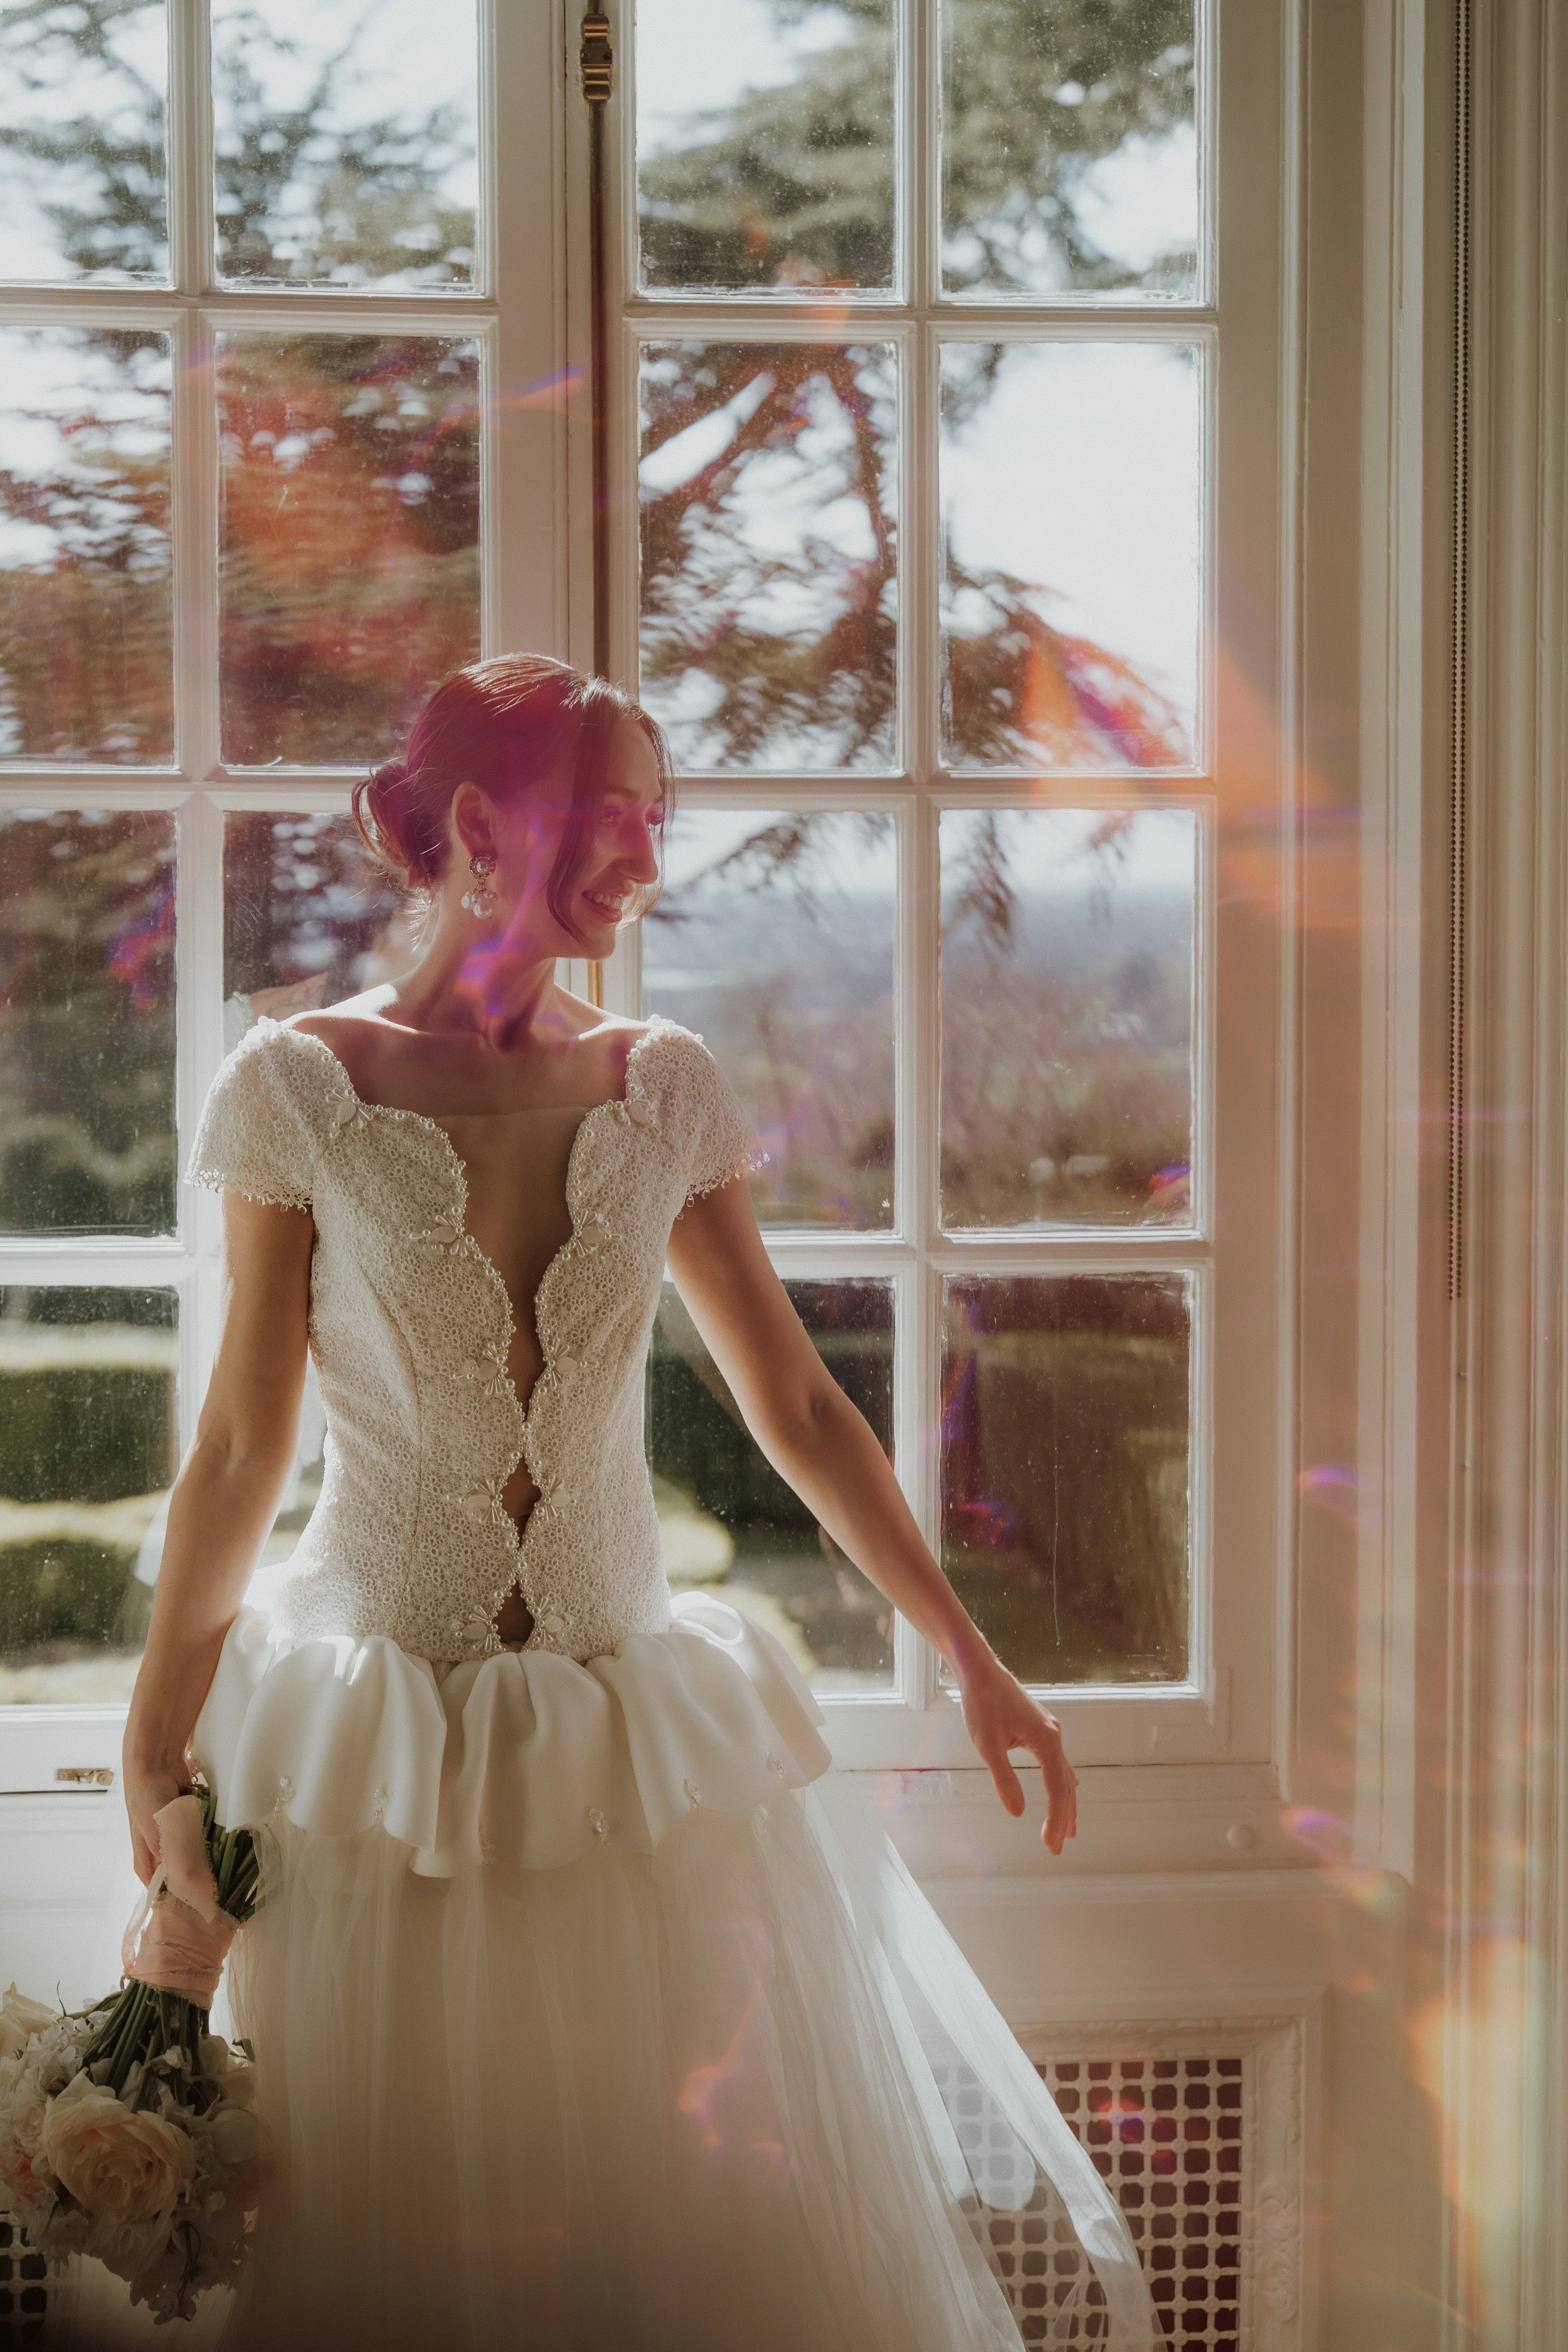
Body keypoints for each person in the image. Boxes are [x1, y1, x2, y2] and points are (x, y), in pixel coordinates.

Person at [122, 655, 1158, 2350]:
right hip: (384, 1764)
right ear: (477, 824)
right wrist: (155, 1730)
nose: (650, 861)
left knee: (664, 2251)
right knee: (408, 2252)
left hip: (633, 1763)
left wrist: (972, 1656)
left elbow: (802, 1406)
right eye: (617, 820)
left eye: (656, 821)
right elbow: (241, 1440)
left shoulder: (659, 1081)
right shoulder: (302, 1086)